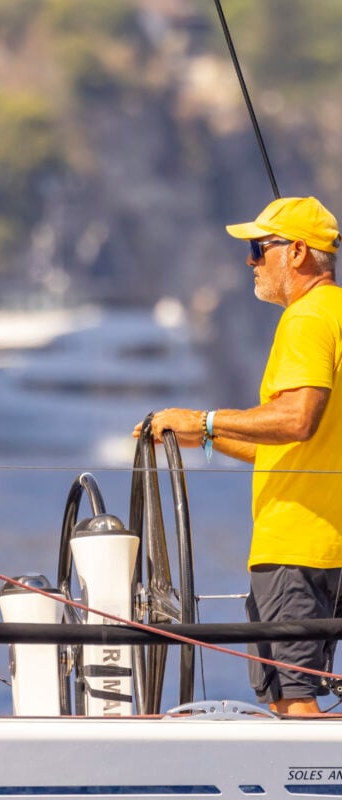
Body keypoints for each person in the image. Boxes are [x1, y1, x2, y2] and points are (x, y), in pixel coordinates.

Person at [134, 196, 342, 715]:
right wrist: (199, 435)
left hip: (295, 546)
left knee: (294, 703)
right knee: (287, 699)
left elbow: (296, 420)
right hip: (329, 547)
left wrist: (205, 420)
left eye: (258, 248)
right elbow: (294, 446)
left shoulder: (307, 319)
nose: (251, 261)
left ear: (297, 253)